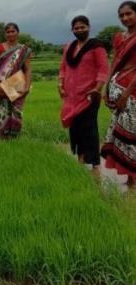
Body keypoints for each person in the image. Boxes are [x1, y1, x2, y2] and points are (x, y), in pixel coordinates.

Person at [58, 16, 109, 175]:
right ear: (72, 30)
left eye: (82, 27)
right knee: (76, 129)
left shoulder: (96, 47)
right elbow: (63, 68)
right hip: (71, 97)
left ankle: (95, 165)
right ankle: (80, 158)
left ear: (89, 27)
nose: (79, 30)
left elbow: (103, 69)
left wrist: (98, 88)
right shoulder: (69, 47)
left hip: (89, 95)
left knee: (90, 129)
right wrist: (60, 84)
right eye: (76, 28)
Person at [101, 1, 136, 187]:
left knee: (132, 134)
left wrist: (126, 94)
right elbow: (114, 63)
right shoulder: (120, 37)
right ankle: (129, 177)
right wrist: (106, 87)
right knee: (121, 134)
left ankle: (133, 179)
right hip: (117, 87)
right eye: (121, 16)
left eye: (129, 14)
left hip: (132, 92)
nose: (125, 18)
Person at [0, 23, 32, 139]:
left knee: (17, 110)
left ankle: (15, 136)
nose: (10, 34)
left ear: (18, 32)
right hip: (2, 84)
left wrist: (27, 86)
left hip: (17, 84)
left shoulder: (24, 49)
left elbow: (27, 69)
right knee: (4, 109)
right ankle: (3, 136)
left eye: (13, 31)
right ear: (5, 34)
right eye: (8, 32)